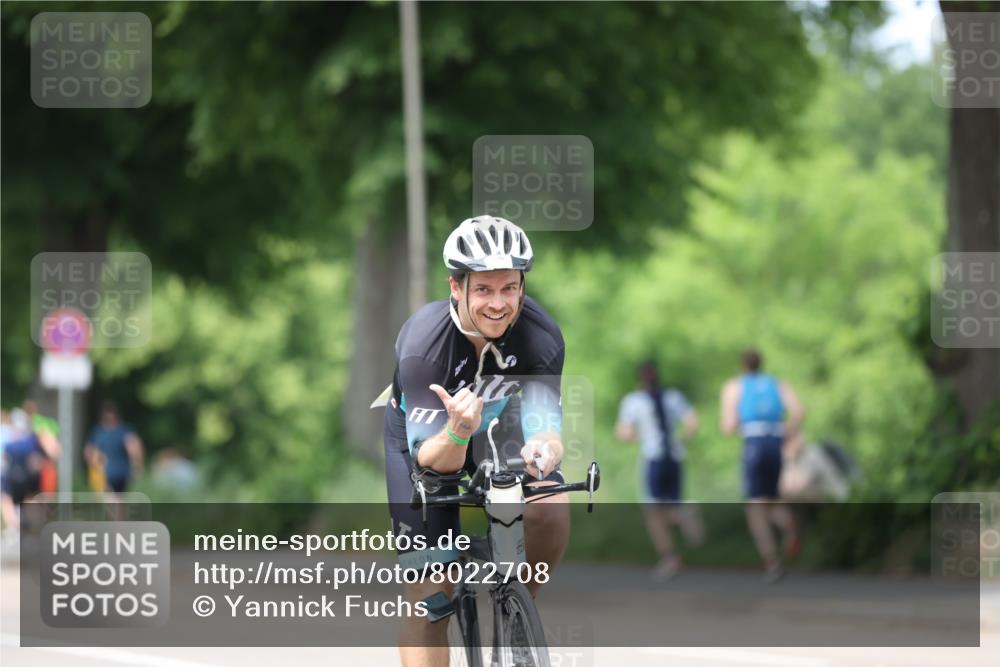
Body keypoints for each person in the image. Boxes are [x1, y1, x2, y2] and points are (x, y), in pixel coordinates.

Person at [380, 215, 569, 667]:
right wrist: (458, 430)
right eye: (484, 289)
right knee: (431, 597)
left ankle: (520, 610)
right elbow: (432, 461)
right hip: (428, 443)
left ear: (522, 287)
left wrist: (544, 452)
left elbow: (546, 426)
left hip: (498, 427)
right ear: (456, 287)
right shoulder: (425, 346)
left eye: (509, 288)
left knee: (550, 505)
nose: (498, 304)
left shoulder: (540, 335)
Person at [720, 349, 804, 581]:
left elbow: (727, 426)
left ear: (742, 365)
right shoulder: (777, 384)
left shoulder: (735, 387)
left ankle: (771, 560)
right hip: (776, 442)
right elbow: (799, 411)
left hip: (754, 444)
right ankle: (789, 524)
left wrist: (739, 423)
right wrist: (788, 430)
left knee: (755, 505)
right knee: (771, 498)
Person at [615, 361, 702, 580]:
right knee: (671, 503)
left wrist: (641, 436)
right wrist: (683, 440)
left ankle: (669, 558)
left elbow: (623, 433)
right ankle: (683, 514)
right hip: (675, 456)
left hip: (653, 457)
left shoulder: (634, 401)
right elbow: (692, 421)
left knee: (653, 511)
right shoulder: (673, 396)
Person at [84, 401, 144, 496]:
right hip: (104, 473)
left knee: (112, 498)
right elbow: (88, 451)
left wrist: (136, 466)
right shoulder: (99, 431)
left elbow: (134, 448)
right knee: (113, 498)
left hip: (118, 473)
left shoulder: (122, 430)